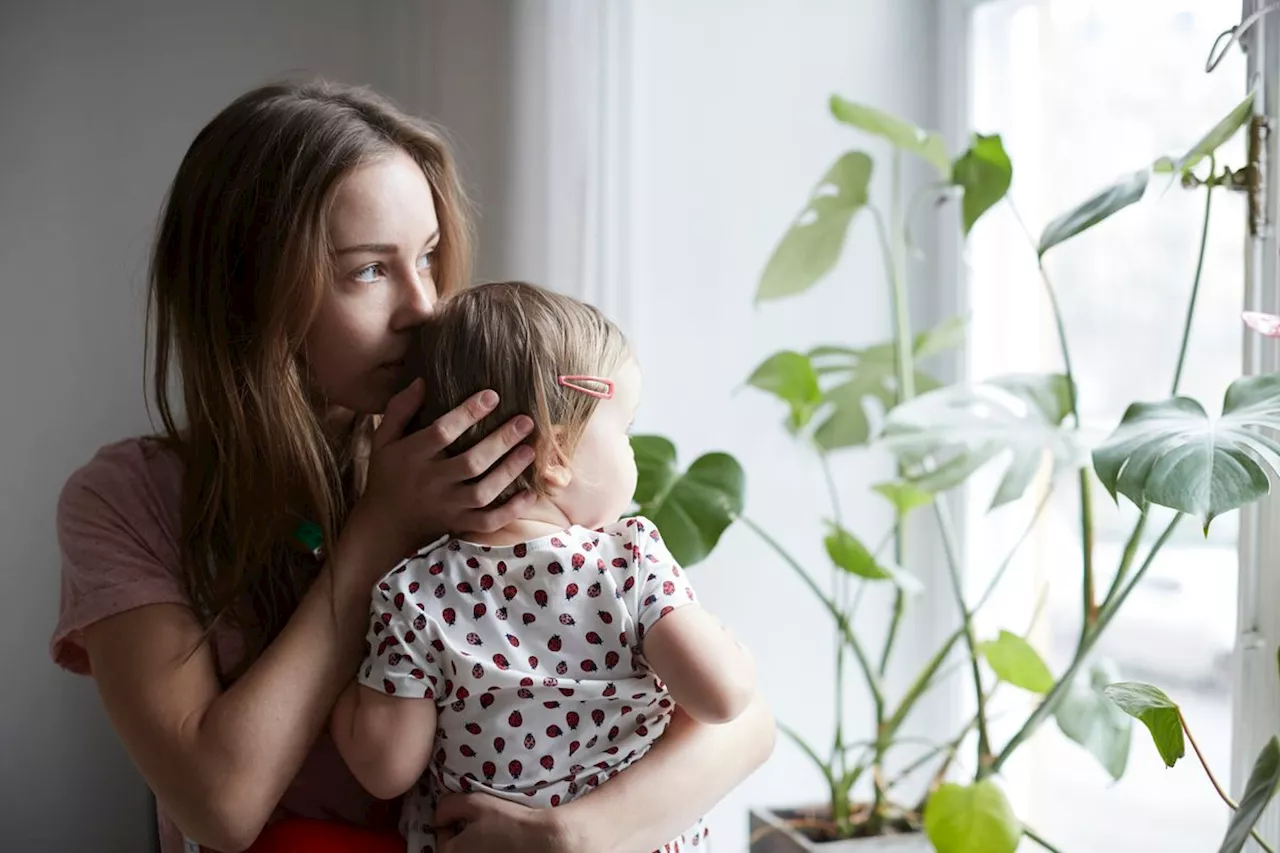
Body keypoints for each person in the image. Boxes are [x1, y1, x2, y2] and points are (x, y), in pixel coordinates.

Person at [48, 80, 775, 853]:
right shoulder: (126, 501)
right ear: (247, 295)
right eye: (369, 270)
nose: (424, 307)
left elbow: (743, 716)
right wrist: (381, 529)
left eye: (428, 256)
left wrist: (573, 834)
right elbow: (221, 807)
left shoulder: (492, 443)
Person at [329, 282, 757, 853]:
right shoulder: (629, 560)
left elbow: (386, 767)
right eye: (624, 432)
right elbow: (722, 698)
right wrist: (731, 653)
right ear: (555, 456)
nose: (632, 452)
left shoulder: (414, 593)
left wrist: (341, 708)